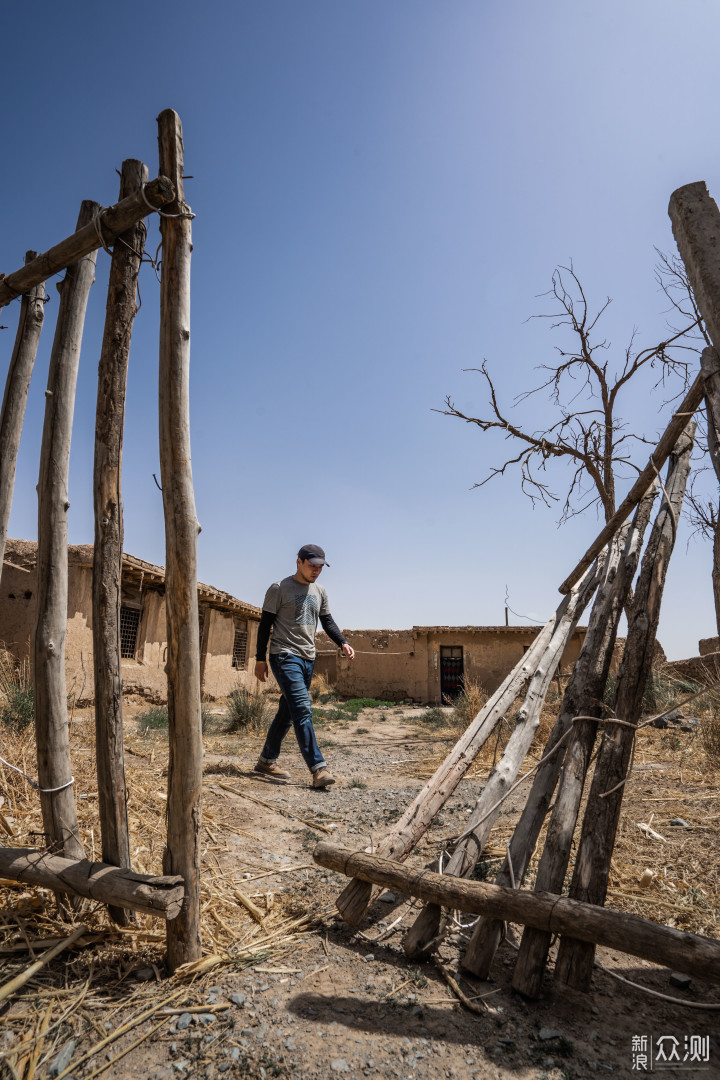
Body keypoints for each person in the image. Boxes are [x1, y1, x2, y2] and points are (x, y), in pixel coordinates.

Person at [254, 544, 355, 788]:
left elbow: (327, 621)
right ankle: (319, 769)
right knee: (302, 708)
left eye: (320, 567)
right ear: (299, 562)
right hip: (284, 656)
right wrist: (259, 659)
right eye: (312, 566)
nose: (316, 571)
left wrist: (342, 642)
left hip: (308, 658)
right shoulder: (279, 588)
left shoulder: (319, 591)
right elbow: (264, 625)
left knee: (287, 712)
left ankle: (266, 760)